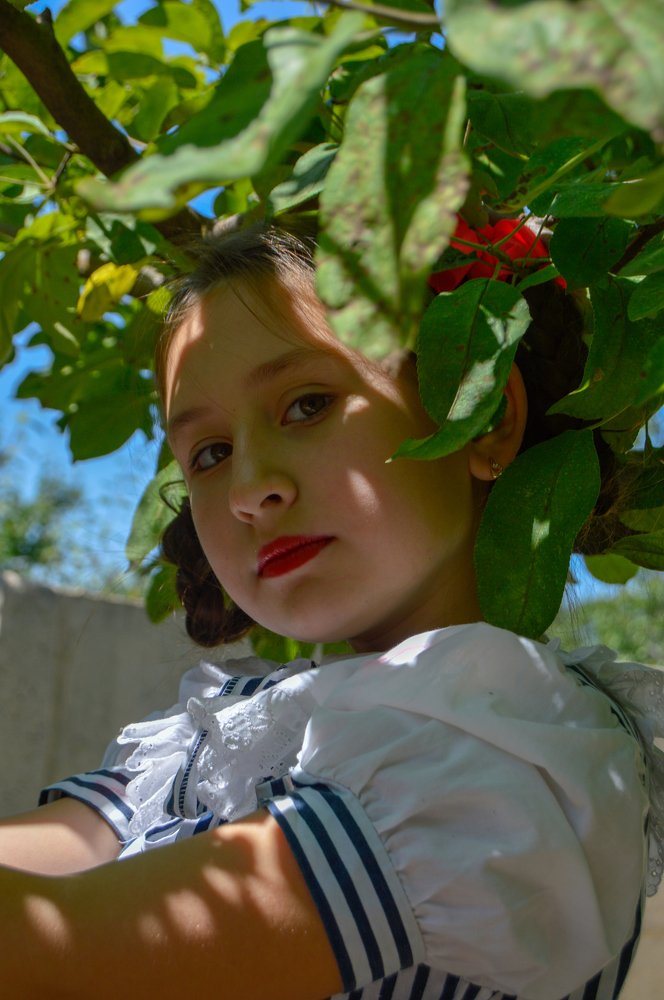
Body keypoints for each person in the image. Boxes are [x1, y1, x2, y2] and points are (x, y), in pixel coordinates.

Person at [0, 222, 662, 1000]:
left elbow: (61, 953)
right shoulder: (218, 733)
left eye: (307, 404)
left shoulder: (501, 750)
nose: (249, 491)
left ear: (483, 414)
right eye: (209, 454)